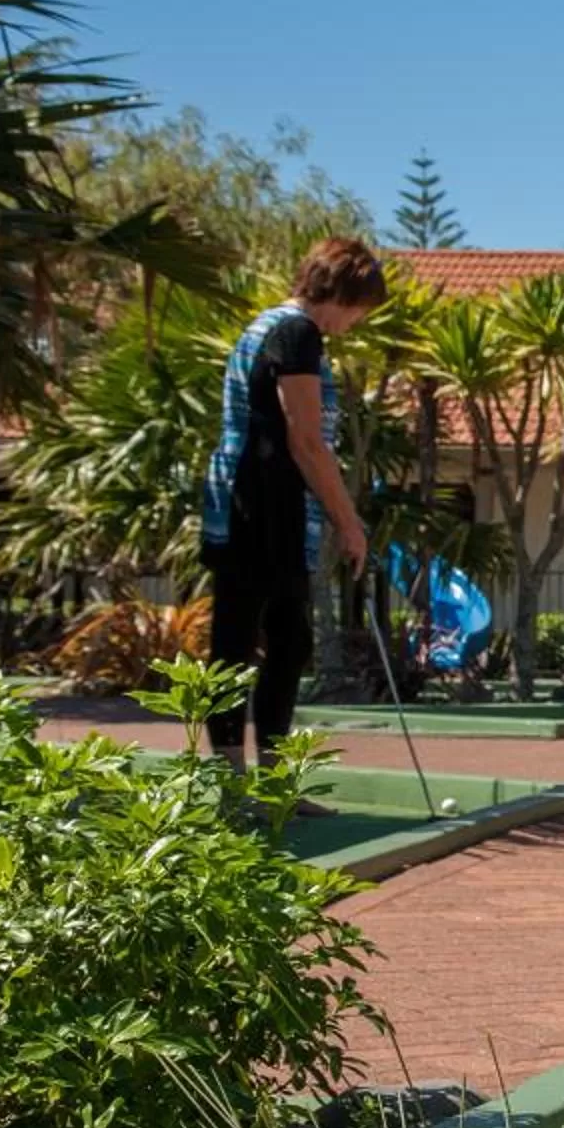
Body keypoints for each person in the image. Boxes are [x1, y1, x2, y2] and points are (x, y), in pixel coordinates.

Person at [199, 235, 385, 778]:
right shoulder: (297, 333)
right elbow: (306, 440)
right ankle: (234, 785)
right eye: (360, 309)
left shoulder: (269, 325)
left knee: (286, 639)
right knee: (241, 643)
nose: (357, 322)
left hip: (254, 500)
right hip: (258, 504)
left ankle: (272, 783)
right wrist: (349, 522)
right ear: (342, 293)